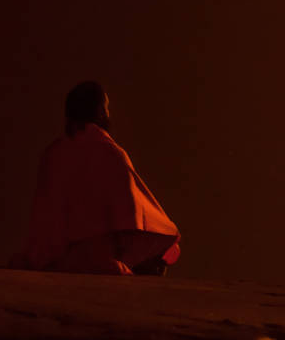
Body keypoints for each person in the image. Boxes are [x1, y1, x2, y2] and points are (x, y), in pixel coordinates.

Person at [11, 81, 180, 275]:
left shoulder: (52, 154)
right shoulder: (110, 153)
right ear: (100, 111)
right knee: (158, 255)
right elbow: (132, 218)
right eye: (106, 108)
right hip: (95, 260)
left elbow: (43, 220)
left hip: (47, 258)